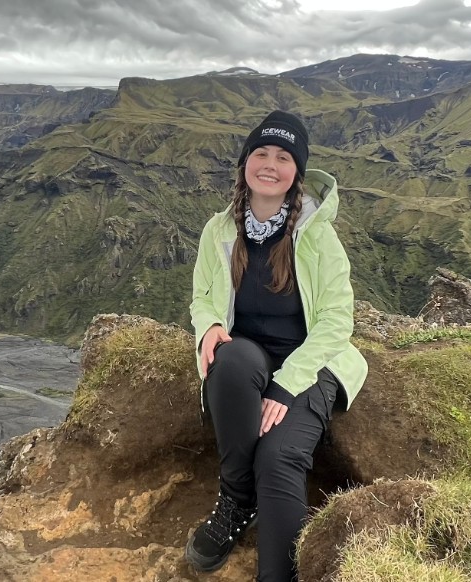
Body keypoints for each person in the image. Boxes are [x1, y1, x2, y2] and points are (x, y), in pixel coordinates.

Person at [184, 110, 368, 581]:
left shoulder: (319, 238)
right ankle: (236, 498)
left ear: (297, 174)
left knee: (278, 456)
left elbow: (335, 321)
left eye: (283, 157)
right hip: (249, 361)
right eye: (260, 153)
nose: (269, 164)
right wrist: (207, 326)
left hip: (309, 365)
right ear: (245, 162)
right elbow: (203, 296)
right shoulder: (218, 230)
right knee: (230, 358)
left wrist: (287, 387)